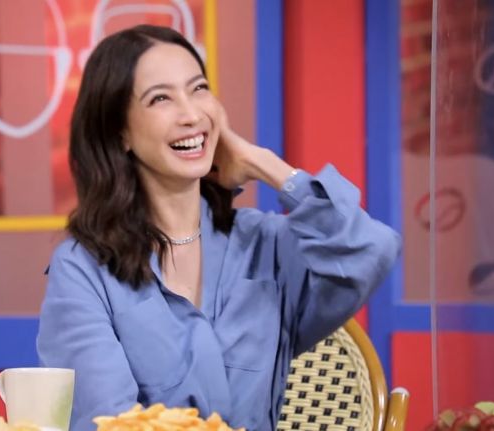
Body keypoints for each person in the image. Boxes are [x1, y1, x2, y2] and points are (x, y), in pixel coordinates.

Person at [36, 25, 401, 431]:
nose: (192, 115)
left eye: (198, 89)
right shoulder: (83, 270)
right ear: (120, 131)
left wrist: (263, 163)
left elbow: (371, 250)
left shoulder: (265, 245)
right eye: (160, 98)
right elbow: (106, 422)